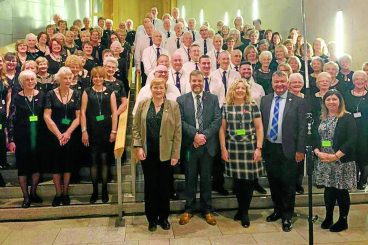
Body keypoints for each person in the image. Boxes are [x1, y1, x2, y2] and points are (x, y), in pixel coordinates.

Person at [132, 78, 182, 232]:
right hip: (148, 153)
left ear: (165, 89)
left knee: (164, 186)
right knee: (150, 187)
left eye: (161, 87)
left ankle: (164, 217)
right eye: (155, 87)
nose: (158, 90)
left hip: (166, 153)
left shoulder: (173, 105)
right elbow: (135, 127)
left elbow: (178, 131)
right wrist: (138, 146)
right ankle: (151, 219)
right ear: (151, 88)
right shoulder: (143, 104)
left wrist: (175, 154)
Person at [260, 71, 306, 232]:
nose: (279, 85)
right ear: (272, 84)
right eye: (276, 82)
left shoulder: (298, 102)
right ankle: (277, 210)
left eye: (282, 81)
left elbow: (302, 129)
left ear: (287, 82)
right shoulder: (265, 100)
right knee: (273, 182)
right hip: (270, 148)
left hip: (289, 150)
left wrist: (301, 150)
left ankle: (287, 216)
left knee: (288, 183)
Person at [177, 70, 222, 226]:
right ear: (189, 82)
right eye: (194, 81)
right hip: (190, 147)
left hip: (207, 146)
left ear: (204, 81)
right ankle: (188, 209)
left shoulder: (213, 99)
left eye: (199, 81)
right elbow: (180, 122)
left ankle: (207, 210)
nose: (197, 83)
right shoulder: (181, 100)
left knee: (206, 180)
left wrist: (203, 136)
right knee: (190, 178)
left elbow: (217, 120)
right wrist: (195, 135)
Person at [219, 79, 264, 227]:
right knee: (237, 182)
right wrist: (223, 148)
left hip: (250, 148)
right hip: (233, 148)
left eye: (242, 88)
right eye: (237, 88)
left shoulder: (252, 106)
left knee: (248, 181)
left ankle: (244, 212)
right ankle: (240, 208)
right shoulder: (226, 107)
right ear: (232, 90)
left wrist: (259, 148)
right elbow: (222, 130)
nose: (239, 90)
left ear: (246, 91)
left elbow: (259, 128)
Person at [313, 89, 357, 232]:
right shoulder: (321, 117)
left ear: (340, 101)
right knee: (329, 190)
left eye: (334, 99)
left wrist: (336, 156)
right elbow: (315, 136)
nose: (331, 102)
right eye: (328, 99)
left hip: (341, 160)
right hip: (324, 160)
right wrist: (317, 151)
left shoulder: (347, 117)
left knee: (341, 191)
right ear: (324, 102)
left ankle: (343, 220)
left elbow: (352, 139)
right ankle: (329, 217)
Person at [44, 67, 81, 206]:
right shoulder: (50, 94)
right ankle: (58, 194)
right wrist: (59, 135)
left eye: (70, 78)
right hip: (54, 135)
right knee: (56, 166)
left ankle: (65, 193)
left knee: (67, 165)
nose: (67, 80)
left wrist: (68, 133)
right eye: (65, 78)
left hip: (70, 134)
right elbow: (47, 116)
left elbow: (78, 117)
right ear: (59, 79)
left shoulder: (76, 93)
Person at [80, 66, 118, 203]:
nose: (98, 79)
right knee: (94, 160)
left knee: (105, 160)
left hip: (106, 130)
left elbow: (114, 113)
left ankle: (104, 190)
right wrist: (84, 131)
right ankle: (95, 190)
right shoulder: (87, 92)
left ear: (104, 78)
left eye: (100, 77)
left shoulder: (111, 92)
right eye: (95, 76)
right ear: (92, 77)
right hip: (91, 130)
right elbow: (83, 112)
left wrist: (114, 131)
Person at [7, 70, 45, 208]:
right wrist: (11, 139)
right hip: (22, 137)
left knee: (36, 166)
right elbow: (11, 119)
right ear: (22, 82)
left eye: (32, 79)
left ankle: (33, 192)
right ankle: (26, 196)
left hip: (38, 137)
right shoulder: (16, 98)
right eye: (27, 80)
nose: (30, 82)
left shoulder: (42, 96)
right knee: (23, 168)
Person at [344, 71, 368, 190]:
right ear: (353, 81)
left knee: (364, 155)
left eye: (362, 79)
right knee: (352, 155)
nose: (359, 81)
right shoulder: (346, 95)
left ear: (366, 81)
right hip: (350, 130)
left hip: (366, 131)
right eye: (356, 79)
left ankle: (363, 180)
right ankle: (352, 179)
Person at [0, 55, 11, 169]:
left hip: (2, 112)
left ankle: (3, 161)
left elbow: (8, 97)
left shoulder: (4, 78)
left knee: (2, 136)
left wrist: (7, 111)